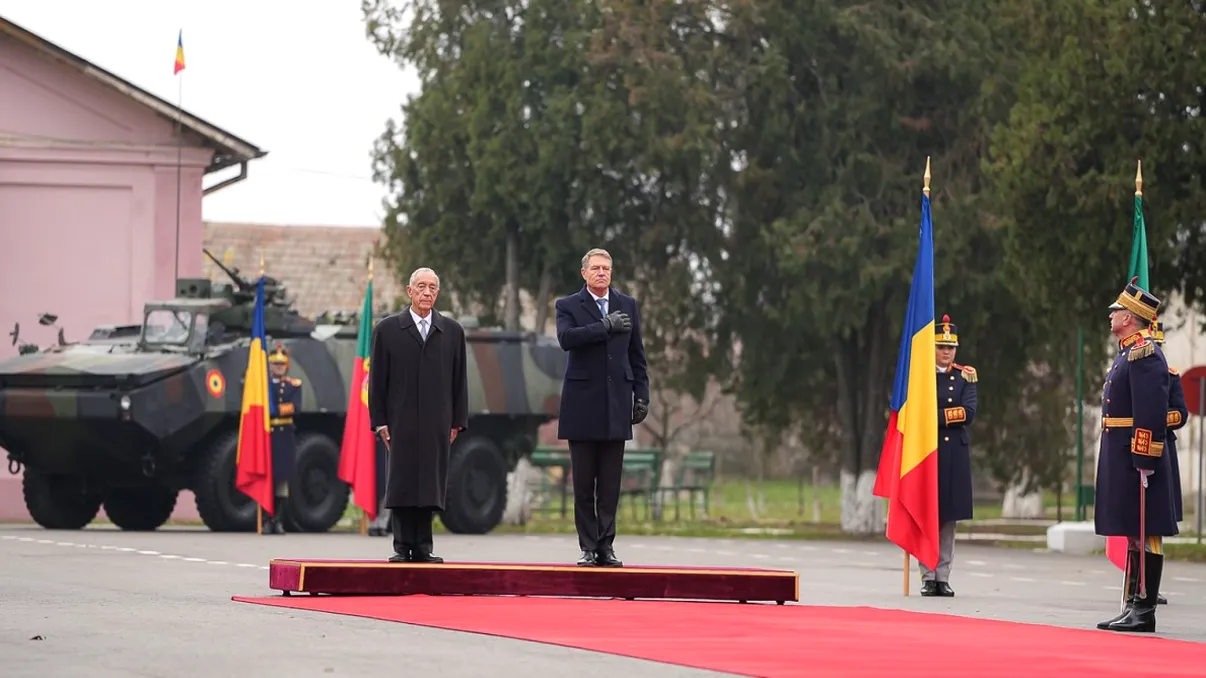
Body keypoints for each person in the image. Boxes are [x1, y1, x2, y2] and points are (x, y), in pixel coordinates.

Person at [554, 248, 650, 567]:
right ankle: (587, 547)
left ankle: (606, 546)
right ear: (584, 273)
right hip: (582, 406)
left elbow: (637, 357)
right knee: (583, 483)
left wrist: (642, 395)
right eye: (595, 268)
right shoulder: (568, 305)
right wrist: (604, 327)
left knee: (609, 484)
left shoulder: (628, 305)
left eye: (606, 268)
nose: (601, 273)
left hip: (616, 405)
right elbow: (567, 338)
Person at [367, 267, 469, 563]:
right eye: (421, 287)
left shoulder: (451, 331)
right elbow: (377, 381)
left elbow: (459, 380)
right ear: (409, 291)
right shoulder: (387, 330)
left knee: (430, 482)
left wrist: (457, 421)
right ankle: (402, 546)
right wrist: (380, 420)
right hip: (400, 421)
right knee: (401, 480)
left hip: (437, 420)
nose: (427, 293)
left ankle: (423, 546)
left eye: (433, 287)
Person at [1095, 277, 1177, 633]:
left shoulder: (1144, 354)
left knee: (1147, 532)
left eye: (1117, 311)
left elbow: (1150, 410)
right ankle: (1132, 604)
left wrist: (1145, 459)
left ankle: (1144, 610)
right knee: (1132, 530)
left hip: (1136, 456)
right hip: (1120, 451)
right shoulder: (1128, 353)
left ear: (1130, 317)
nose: (1111, 316)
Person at [920, 314, 978, 597]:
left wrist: (935, 416)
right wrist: (938, 418)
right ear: (932, 348)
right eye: (941, 346)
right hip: (928, 453)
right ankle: (927, 575)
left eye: (950, 347)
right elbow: (916, 414)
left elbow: (968, 413)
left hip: (954, 454)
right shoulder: (921, 378)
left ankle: (943, 575)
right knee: (927, 514)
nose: (946, 352)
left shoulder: (965, 375)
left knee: (948, 518)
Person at [1147, 315, 1185, 606]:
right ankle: (1135, 585)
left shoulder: (1171, 375)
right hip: (1134, 448)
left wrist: (1155, 420)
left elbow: (1180, 414)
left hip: (1162, 449)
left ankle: (1149, 587)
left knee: (1156, 522)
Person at [265, 344, 301, 535]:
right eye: (275, 364)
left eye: (281, 364)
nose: (278, 367)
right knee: (266, 479)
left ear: (286, 366)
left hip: (284, 435)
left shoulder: (293, 385)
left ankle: (277, 520)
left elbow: (296, 406)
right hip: (267, 435)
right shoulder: (263, 386)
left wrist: (277, 410)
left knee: (282, 480)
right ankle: (266, 519)